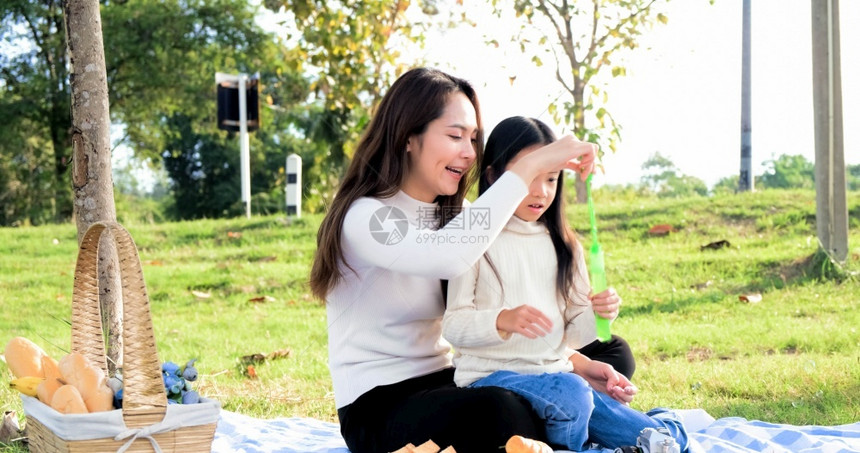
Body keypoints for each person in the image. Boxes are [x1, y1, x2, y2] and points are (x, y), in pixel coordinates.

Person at [309, 68, 598, 453]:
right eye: (455, 135)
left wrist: (577, 364)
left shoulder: (457, 214)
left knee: (594, 367)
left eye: (474, 138)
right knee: (502, 412)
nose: (468, 152)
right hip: (378, 405)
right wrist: (529, 166)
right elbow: (445, 256)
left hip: (451, 379)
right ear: (409, 137)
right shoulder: (369, 217)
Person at [442, 116, 688, 452]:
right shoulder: (474, 236)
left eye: (552, 178)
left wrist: (601, 314)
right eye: (530, 177)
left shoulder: (565, 245)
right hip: (492, 379)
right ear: (494, 176)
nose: (541, 191)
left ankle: (642, 428)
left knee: (669, 441)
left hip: (559, 379)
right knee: (573, 396)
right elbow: (454, 325)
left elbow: (573, 335)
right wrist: (502, 320)